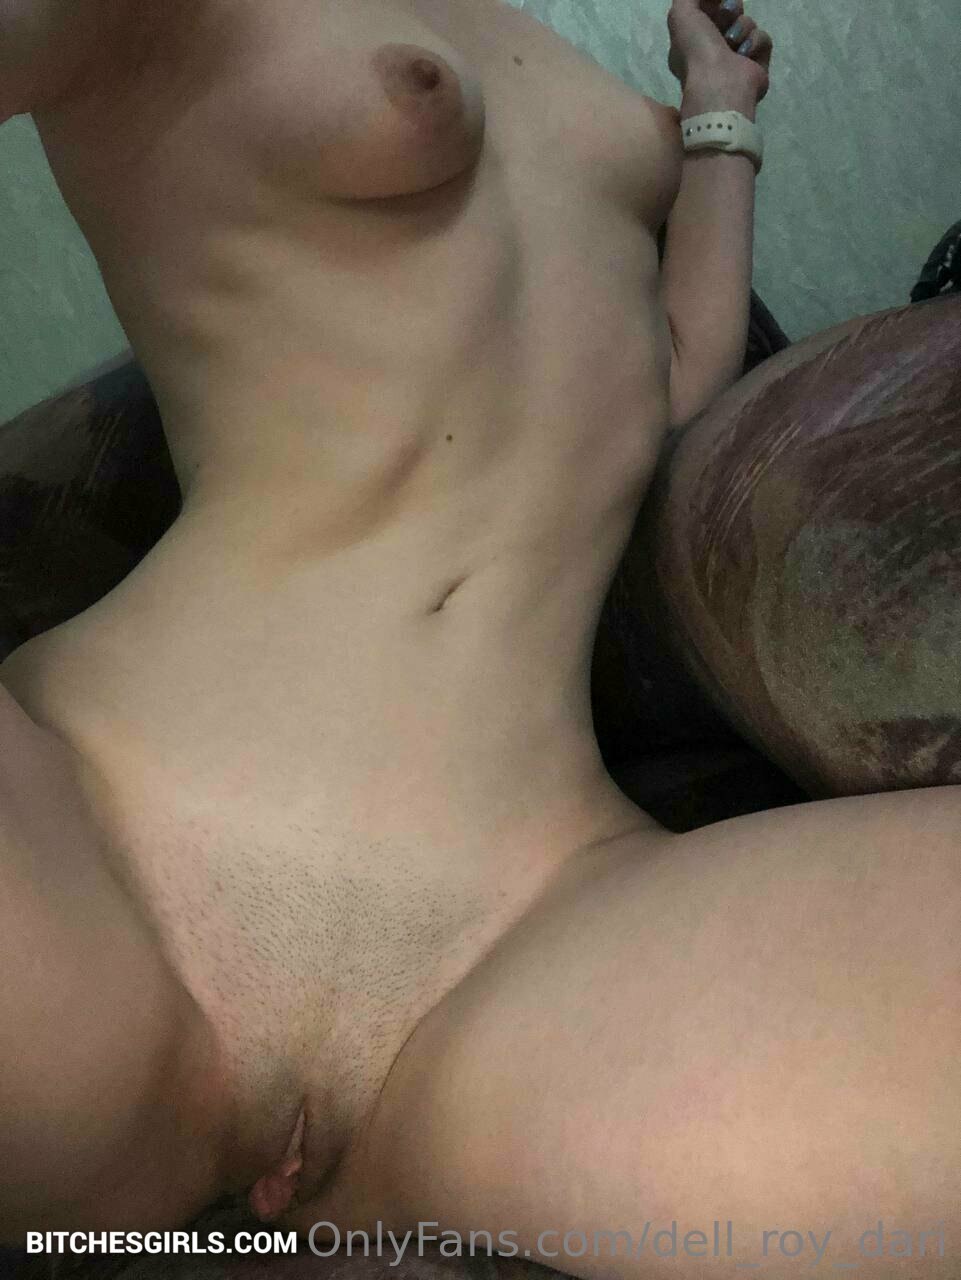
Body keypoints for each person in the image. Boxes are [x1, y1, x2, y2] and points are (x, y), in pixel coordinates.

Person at [0, 0, 958, 1274]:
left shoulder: (544, 57)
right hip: (103, 827)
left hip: (523, 921)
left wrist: (716, 110)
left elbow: (674, 368)